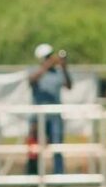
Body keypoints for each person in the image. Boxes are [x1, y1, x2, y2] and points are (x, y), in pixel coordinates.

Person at [27, 43, 72, 175]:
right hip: (37, 117)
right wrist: (47, 65)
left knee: (57, 147)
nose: (50, 59)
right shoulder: (35, 70)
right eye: (47, 57)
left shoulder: (58, 72)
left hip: (55, 117)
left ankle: (59, 176)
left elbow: (69, 85)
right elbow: (31, 80)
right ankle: (32, 177)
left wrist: (64, 68)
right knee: (34, 149)